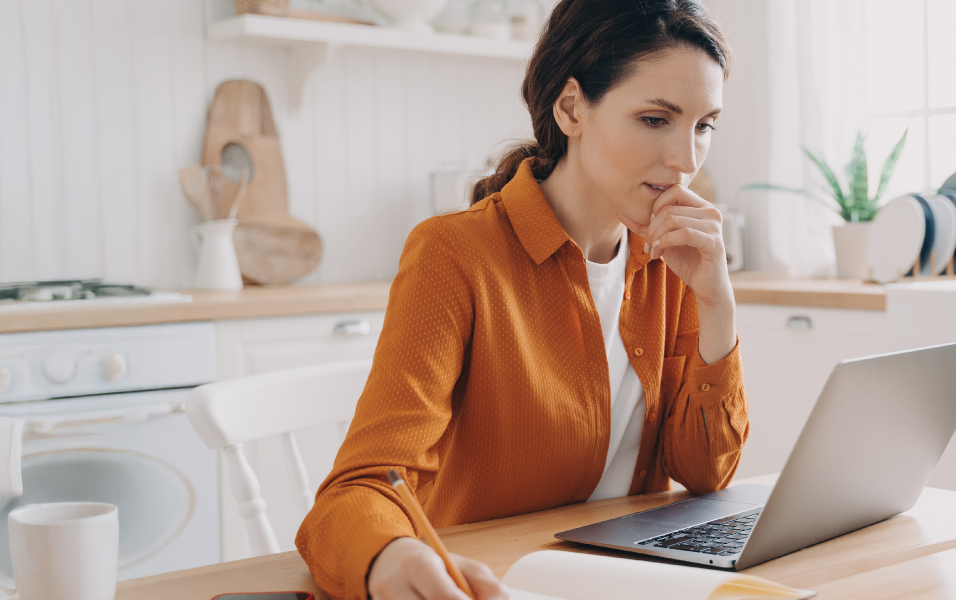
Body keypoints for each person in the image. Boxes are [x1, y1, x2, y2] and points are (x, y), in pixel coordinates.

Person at [295, 1, 744, 598]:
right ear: (571, 108)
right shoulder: (453, 254)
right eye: (655, 119)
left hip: (637, 580)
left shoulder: (672, 256)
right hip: (494, 582)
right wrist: (387, 558)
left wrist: (718, 301)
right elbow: (359, 489)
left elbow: (705, 472)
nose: (686, 160)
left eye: (704, 125)